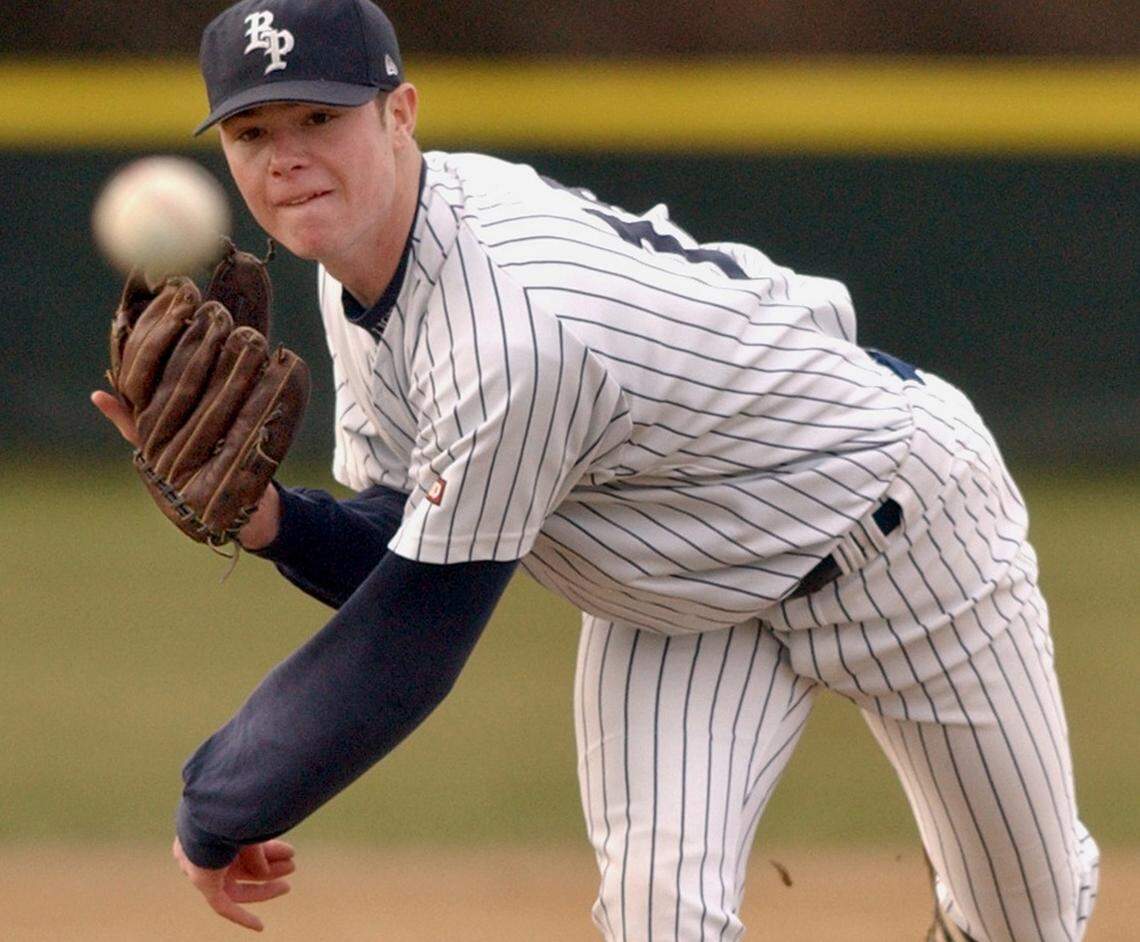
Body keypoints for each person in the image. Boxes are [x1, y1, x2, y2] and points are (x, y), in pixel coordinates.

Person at [92, 1, 1099, 938]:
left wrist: (219, 803)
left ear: (401, 112)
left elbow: (410, 640)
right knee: (659, 919)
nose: (289, 160)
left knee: (1024, 922)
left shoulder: (512, 334)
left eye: (319, 115)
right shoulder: (360, 255)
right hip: (673, 591)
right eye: (253, 133)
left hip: (899, 528)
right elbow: (408, 533)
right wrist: (272, 520)